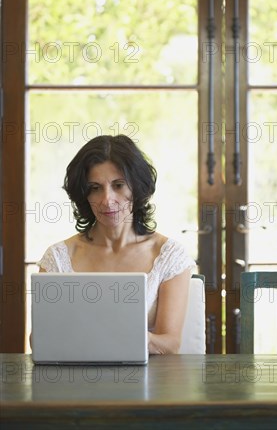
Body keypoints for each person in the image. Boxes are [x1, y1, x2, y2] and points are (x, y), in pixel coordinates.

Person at [37, 134, 196, 354]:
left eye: (118, 185)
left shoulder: (169, 255)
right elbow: (40, 341)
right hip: (74, 380)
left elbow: (170, 345)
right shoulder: (57, 258)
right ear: (83, 194)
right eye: (94, 188)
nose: (107, 200)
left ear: (137, 188)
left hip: (147, 381)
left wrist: (118, 335)